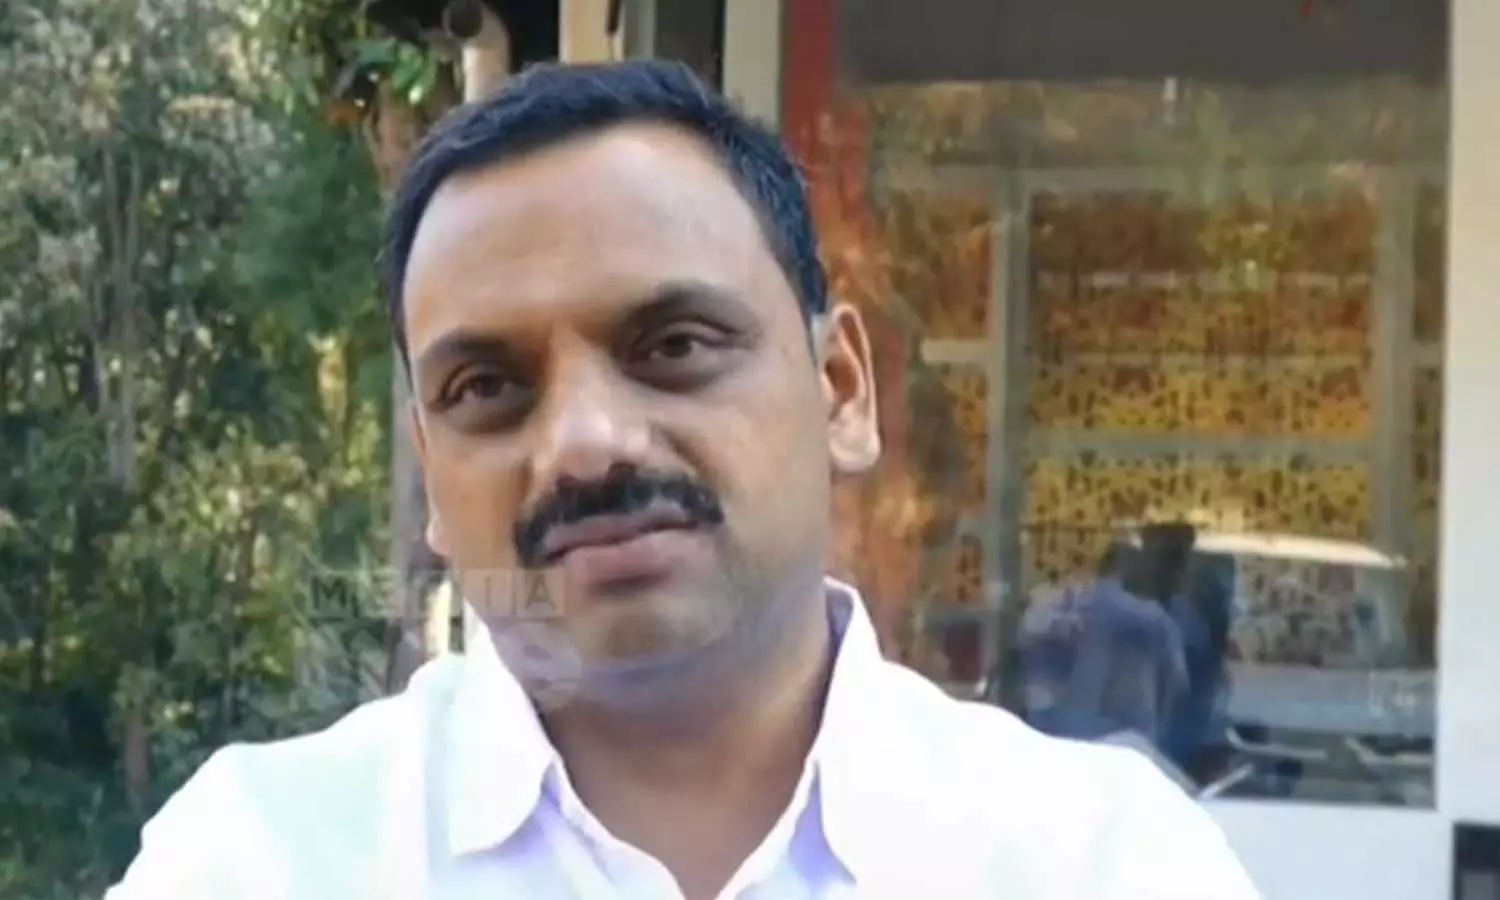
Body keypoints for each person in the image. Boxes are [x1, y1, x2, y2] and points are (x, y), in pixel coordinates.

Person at [106, 60, 1261, 899]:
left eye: (673, 346)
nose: (585, 444)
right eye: (487, 387)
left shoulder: (1102, 865)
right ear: (431, 475)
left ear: (843, 392)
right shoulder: (263, 860)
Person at [1020, 540, 1189, 750]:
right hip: (1125, 738)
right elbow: (1178, 680)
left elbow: (1029, 660)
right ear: (1129, 570)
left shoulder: (1048, 605)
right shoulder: (1154, 619)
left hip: (1062, 733)